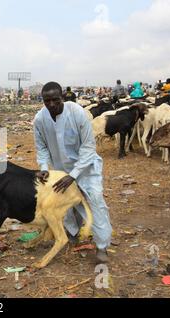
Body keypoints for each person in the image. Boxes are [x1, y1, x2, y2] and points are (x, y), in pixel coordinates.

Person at [34, 81, 112, 264]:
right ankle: (73, 233)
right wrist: (44, 168)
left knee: (95, 202)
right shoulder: (39, 119)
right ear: (43, 100)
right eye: (47, 101)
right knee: (65, 205)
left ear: (62, 97)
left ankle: (102, 246)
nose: (52, 105)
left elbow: (88, 146)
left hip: (86, 169)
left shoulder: (77, 113)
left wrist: (74, 174)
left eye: (55, 100)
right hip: (60, 171)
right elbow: (42, 147)